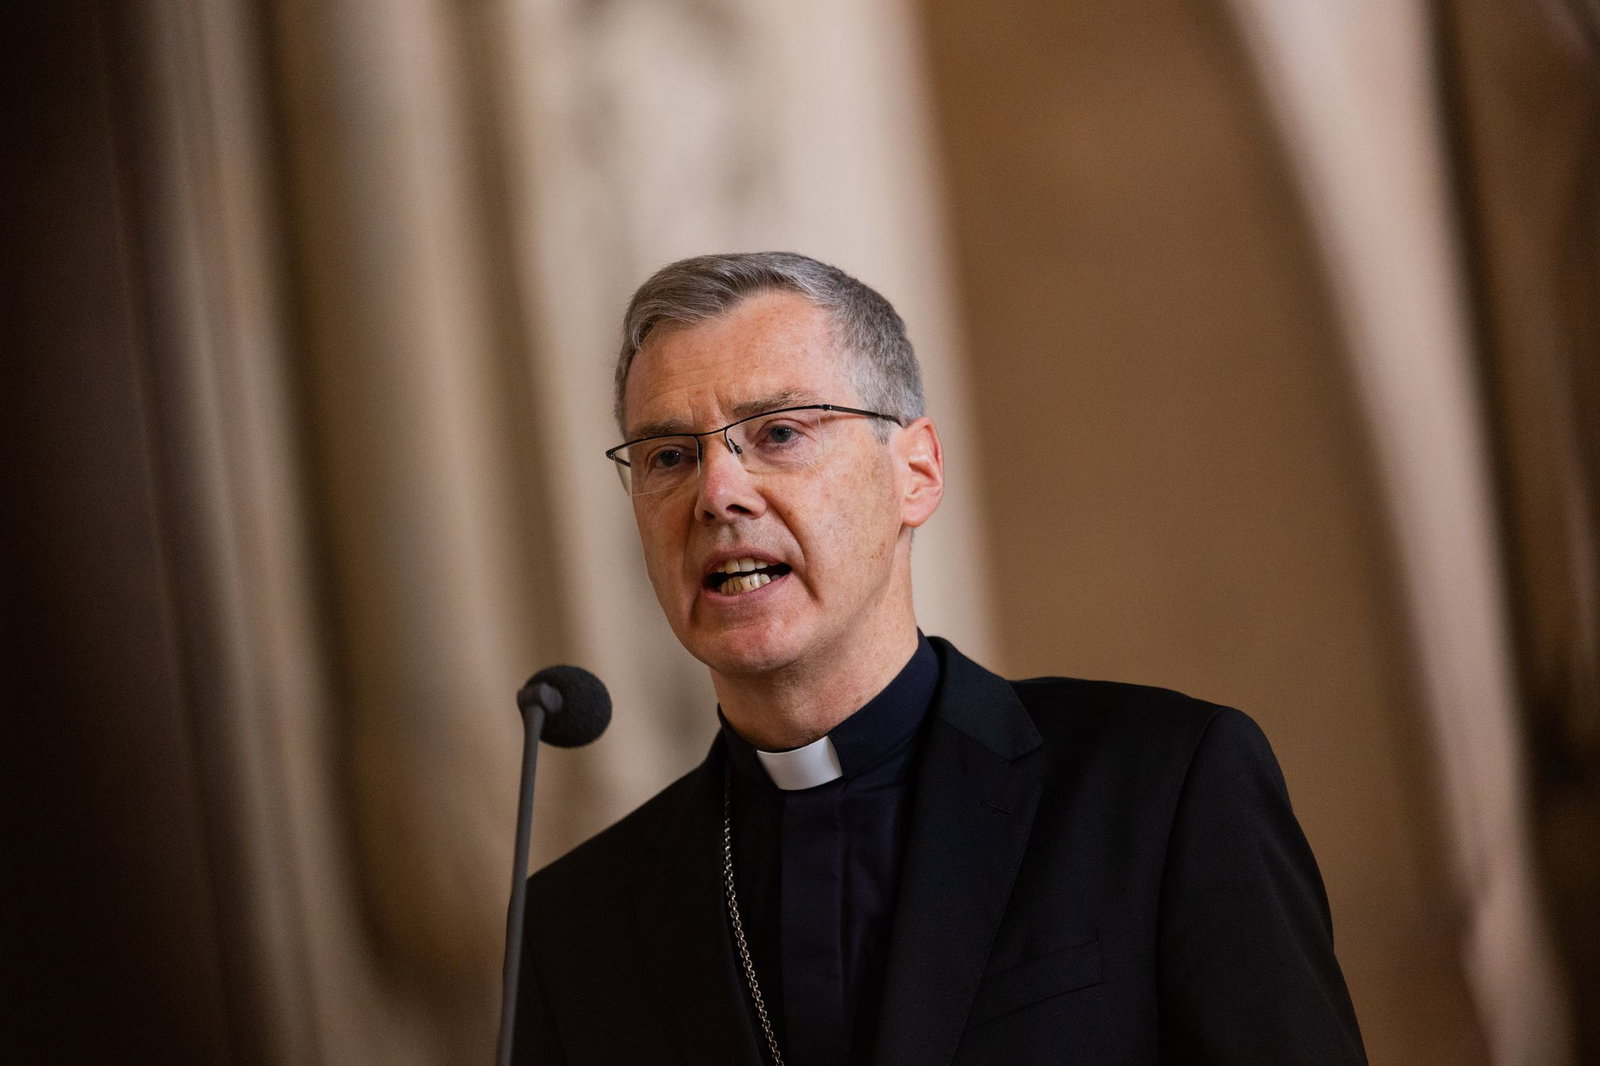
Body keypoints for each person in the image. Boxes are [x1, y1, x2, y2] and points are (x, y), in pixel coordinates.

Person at [514, 252, 1367, 1065]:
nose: (718, 493)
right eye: (668, 456)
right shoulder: (575, 927)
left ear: (915, 473)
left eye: (779, 433)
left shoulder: (1158, 787)